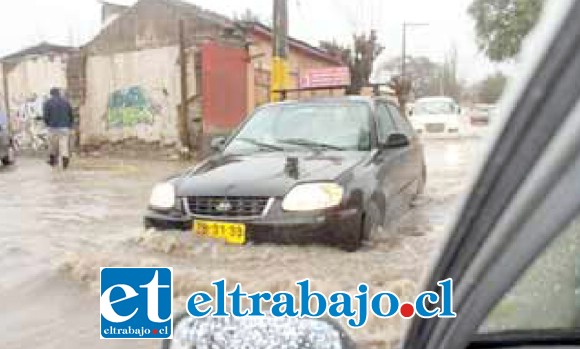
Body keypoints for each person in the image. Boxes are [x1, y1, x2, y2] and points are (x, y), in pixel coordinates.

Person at [43, 88, 73, 169]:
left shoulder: (48, 103)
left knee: (53, 145)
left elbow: (45, 116)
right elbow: (70, 114)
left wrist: (47, 124)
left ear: (51, 94)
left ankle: (53, 160)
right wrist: (70, 125)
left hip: (53, 127)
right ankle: (65, 161)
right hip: (64, 127)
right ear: (59, 93)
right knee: (64, 145)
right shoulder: (66, 102)